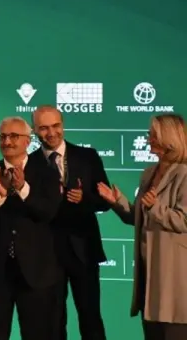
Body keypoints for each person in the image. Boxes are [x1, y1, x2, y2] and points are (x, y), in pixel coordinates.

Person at [0, 116, 62, 340]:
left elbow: (48, 213)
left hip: (36, 272)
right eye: (2, 136)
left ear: (28, 141)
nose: (7, 142)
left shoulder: (48, 173)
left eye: (13, 136)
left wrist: (22, 188)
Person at [97, 113, 187, 340]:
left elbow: (183, 220)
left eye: (153, 135)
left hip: (174, 276)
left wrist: (156, 207)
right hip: (149, 274)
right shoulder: (149, 173)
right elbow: (138, 217)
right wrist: (116, 202)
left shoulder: (185, 174)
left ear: (168, 138)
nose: (148, 139)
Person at [30, 105, 109, 340]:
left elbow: (105, 201)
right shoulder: (29, 163)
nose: (51, 133)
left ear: (63, 125)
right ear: (34, 130)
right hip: (46, 253)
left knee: (91, 318)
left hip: (83, 250)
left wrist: (85, 198)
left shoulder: (88, 157)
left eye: (56, 126)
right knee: (52, 322)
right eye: (44, 128)